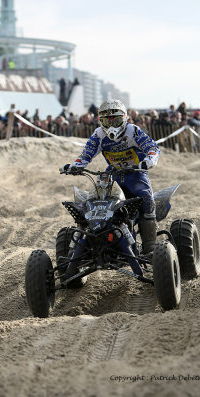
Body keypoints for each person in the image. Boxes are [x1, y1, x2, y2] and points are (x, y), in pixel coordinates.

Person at [62, 99, 160, 277]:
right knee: (93, 201)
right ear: (101, 121)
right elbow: (86, 155)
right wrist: (74, 166)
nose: (111, 124)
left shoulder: (133, 131)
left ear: (124, 118)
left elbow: (152, 148)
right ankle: (89, 244)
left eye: (115, 119)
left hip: (136, 173)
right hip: (113, 174)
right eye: (107, 120)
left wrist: (149, 160)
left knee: (146, 197)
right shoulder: (99, 134)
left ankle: (150, 247)